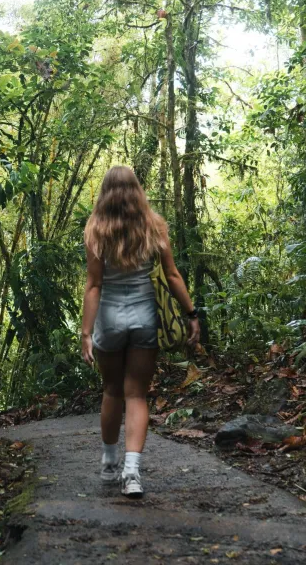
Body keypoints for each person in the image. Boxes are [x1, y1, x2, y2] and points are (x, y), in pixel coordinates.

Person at [80, 165, 200, 497]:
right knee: (136, 394)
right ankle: (131, 474)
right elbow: (172, 275)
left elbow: (94, 285)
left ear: (105, 193)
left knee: (112, 391)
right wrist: (192, 314)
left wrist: (86, 333)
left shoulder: (96, 230)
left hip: (109, 320)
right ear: (137, 191)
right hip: (145, 318)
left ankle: (109, 463)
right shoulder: (154, 226)